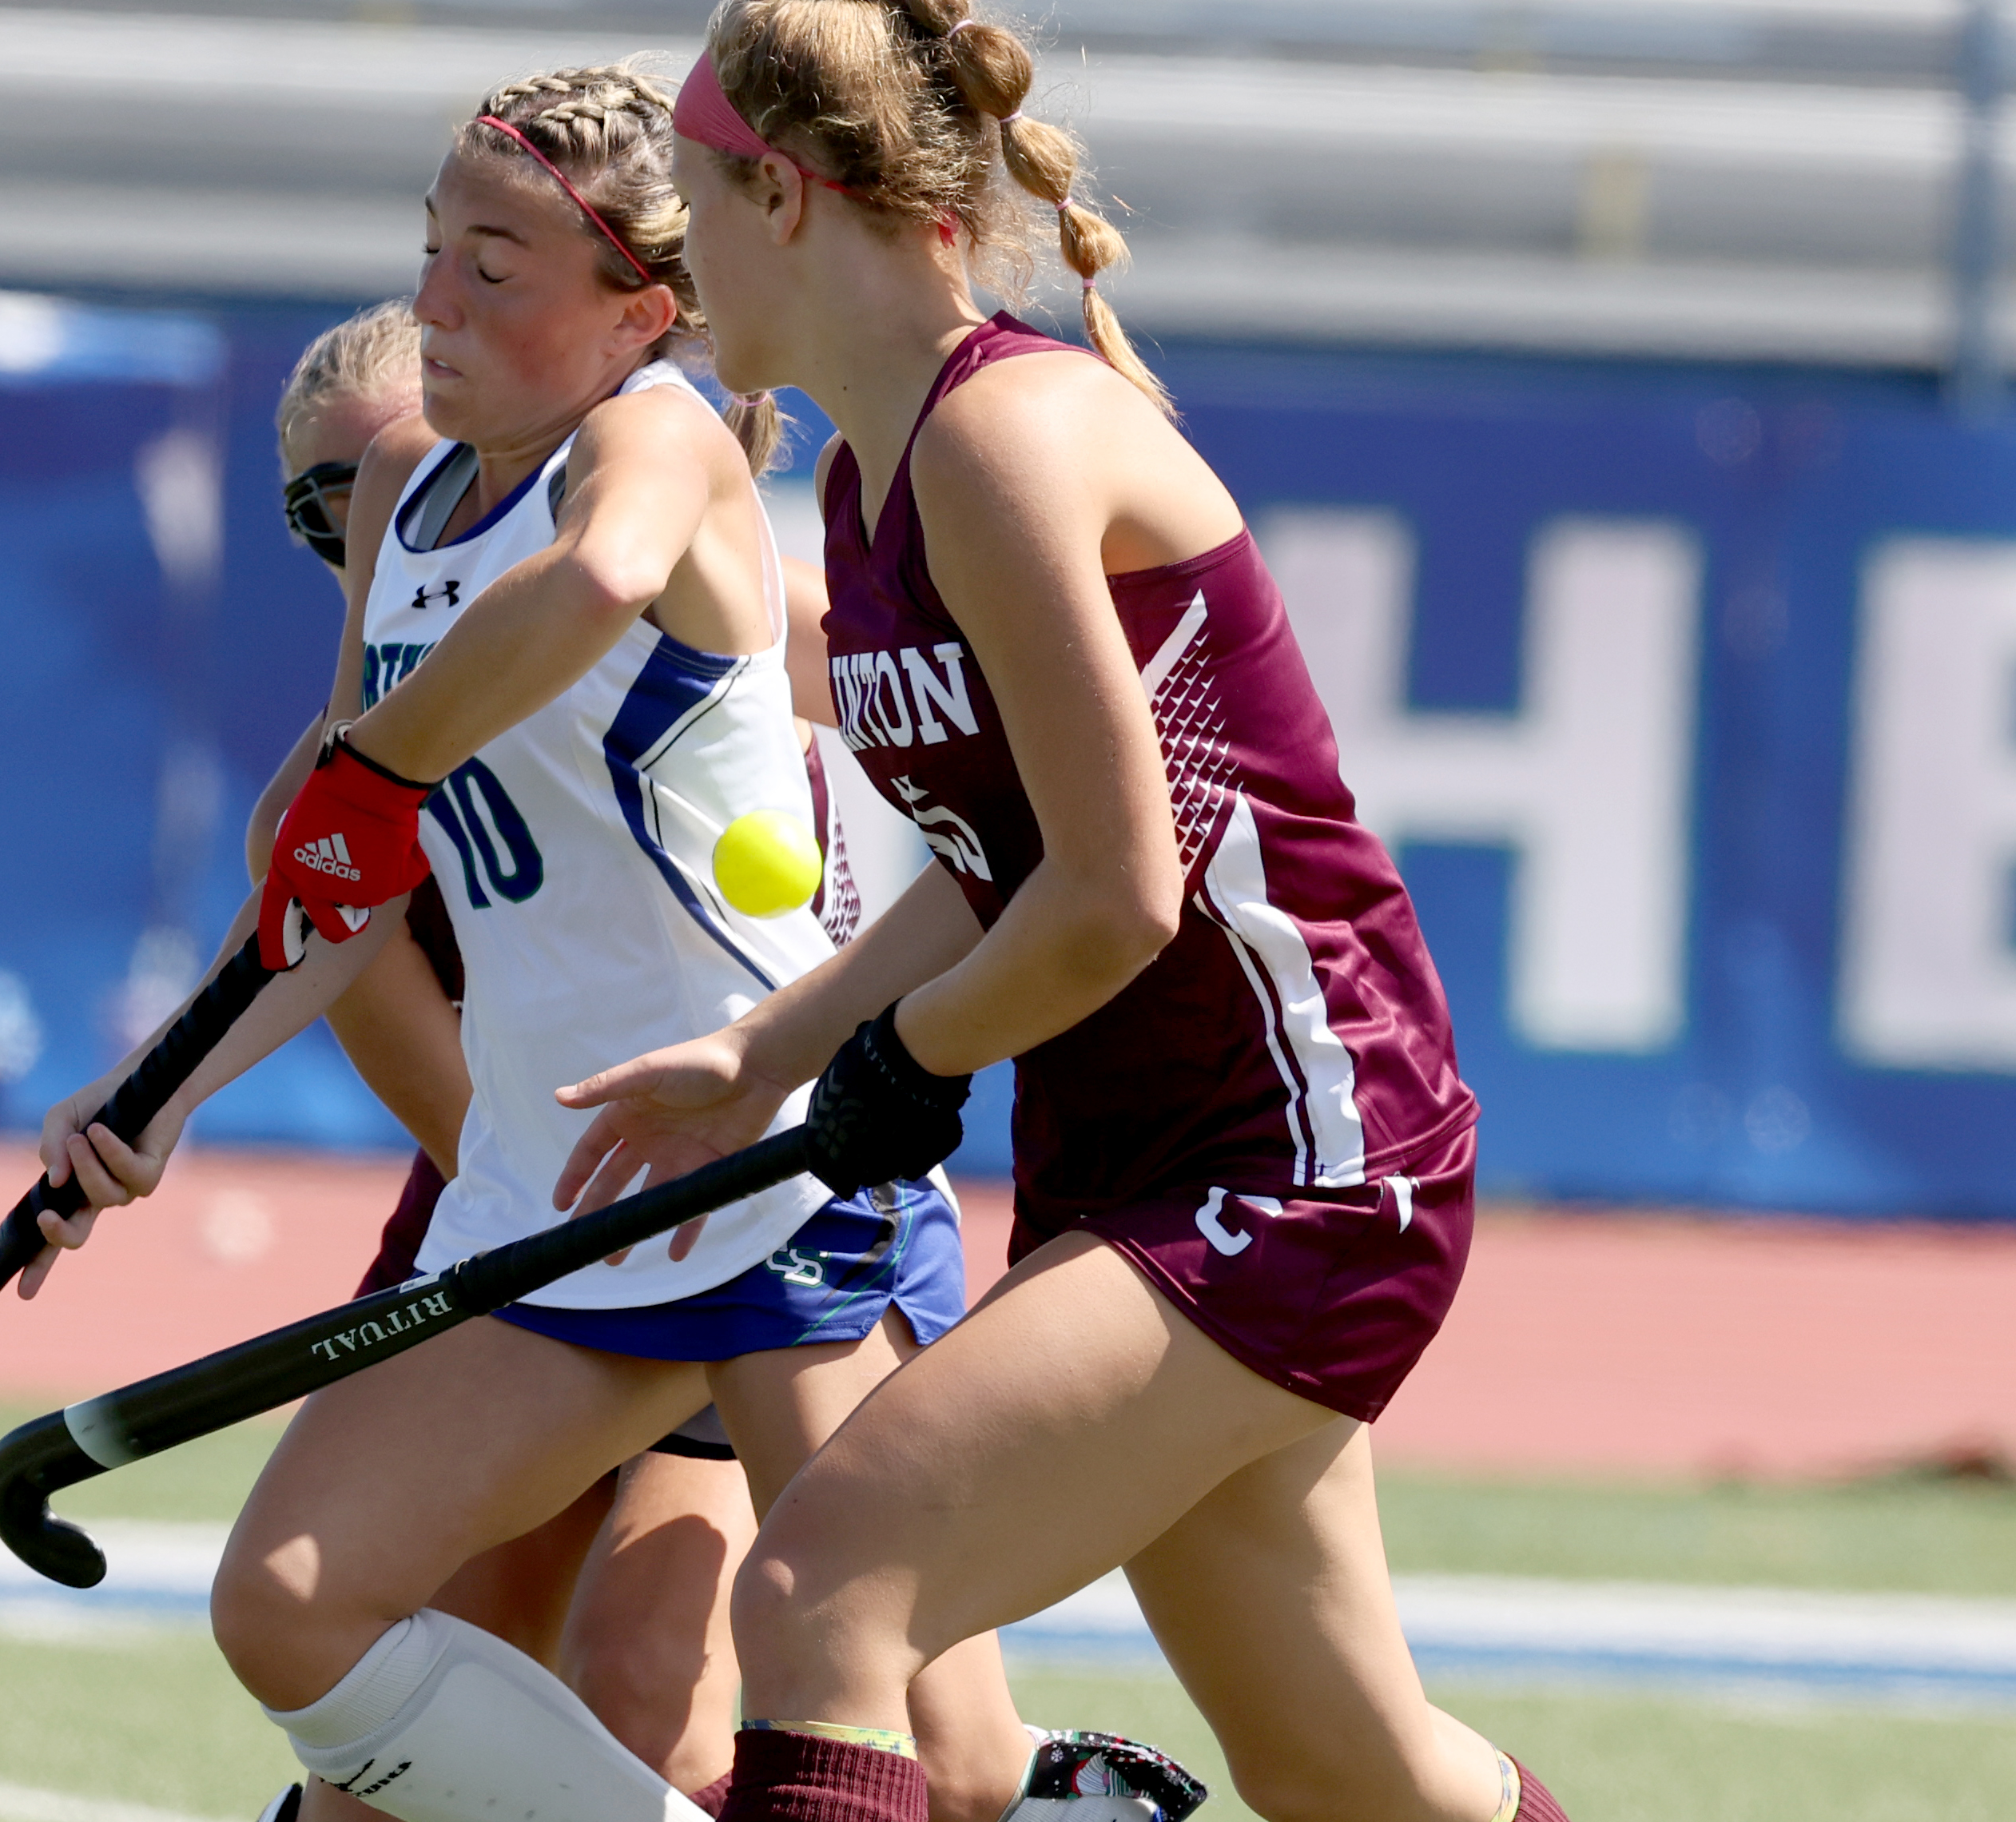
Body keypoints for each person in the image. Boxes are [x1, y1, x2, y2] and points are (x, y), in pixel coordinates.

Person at [22, 63, 1198, 1822]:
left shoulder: (656, 434)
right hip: (556, 1189)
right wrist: (154, 1100)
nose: (432, 306)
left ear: (639, 309)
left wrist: (373, 765)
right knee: (288, 1608)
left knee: (931, 1749)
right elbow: (341, 892)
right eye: (431, 252)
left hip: (765, 1159)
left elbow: (587, 587)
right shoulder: (401, 503)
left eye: (492, 270)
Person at [552, 9, 1576, 1822]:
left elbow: (1114, 898)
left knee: (821, 1594)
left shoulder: (1000, 442)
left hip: (1303, 1159)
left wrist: (900, 1056)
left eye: (693, 205)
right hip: (1148, 1157)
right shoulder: (873, 480)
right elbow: (999, 858)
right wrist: (775, 1052)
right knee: (1346, 1772)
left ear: (779, 196)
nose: (679, 257)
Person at [254, 296, 759, 1821]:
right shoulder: (369, 734)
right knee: (400, 1751)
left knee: (667, 1700)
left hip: (751, 1189)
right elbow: (346, 968)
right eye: (320, 508)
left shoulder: (726, 622)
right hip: (534, 1192)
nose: (370, 537)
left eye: (395, 480)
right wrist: (142, 1113)